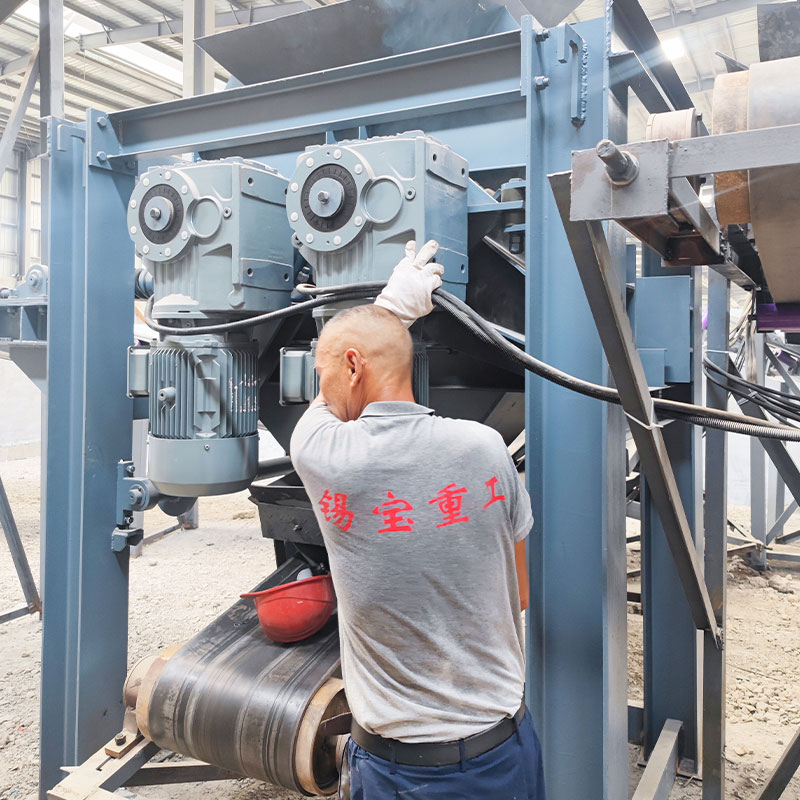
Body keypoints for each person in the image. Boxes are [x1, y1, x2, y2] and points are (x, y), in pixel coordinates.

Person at [290, 240, 545, 799]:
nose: (323, 387)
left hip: (392, 770)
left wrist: (392, 306)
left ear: (352, 365)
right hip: (498, 755)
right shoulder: (485, 447)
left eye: (322, 371)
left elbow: (319, 413)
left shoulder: (324, 454)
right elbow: (521, 591)